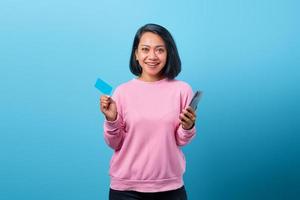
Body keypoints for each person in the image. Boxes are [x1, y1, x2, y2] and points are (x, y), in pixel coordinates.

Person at [100, 23, 197, 200]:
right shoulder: (122, 92)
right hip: (125, 189)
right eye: (145, 49)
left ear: (169, 54)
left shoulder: (182, 90)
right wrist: (111, 119)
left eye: (159, 50)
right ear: (136, 54)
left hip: (170, 188)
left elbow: (180, 140)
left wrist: (188, 127)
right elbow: (114, 143)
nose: (152, 56)